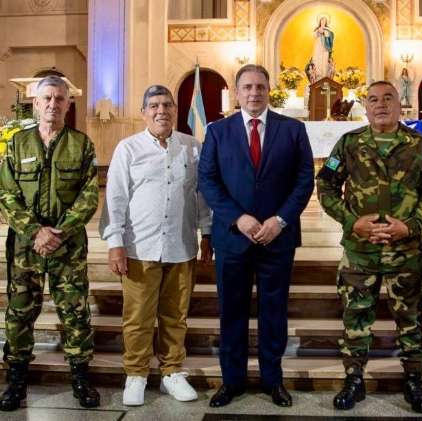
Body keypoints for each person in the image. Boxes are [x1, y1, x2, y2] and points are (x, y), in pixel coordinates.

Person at [317, 80, 422, 414]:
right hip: (360, 251)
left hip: (407, 252)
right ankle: (353, 379)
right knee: (356, 320)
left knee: (411, 320)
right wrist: (351, 221)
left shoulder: (420, 145)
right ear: (365, 107)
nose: (381, 104)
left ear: (400, 105)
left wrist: (410, 225)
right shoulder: (349, 143)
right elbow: (326, 184)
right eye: (373, 99)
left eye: (388, 98)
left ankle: (414, 381)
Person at [198, 64, 314, 408]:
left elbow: (304, 179)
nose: (253, 92)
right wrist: (238, 218)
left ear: (269, 90)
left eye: (260, 86)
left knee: (273, 311)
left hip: (277, 238)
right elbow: (208, 180)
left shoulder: (293, 130)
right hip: (233, 239)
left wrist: (279, 220)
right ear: (237, 92)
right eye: (247, 87)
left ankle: (272, 380)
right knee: (231, 312)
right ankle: (231, 382)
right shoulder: (217, 132)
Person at [99, 85, 212, 406]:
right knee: (138, 317)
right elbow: (115, 197)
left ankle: (171, 372)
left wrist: (208, 233)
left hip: (181, 245)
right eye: (154, 106)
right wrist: (115, 242)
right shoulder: (128, 148)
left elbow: (201, 194)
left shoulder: (192, 147)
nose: (161, 111)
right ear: (144, 112)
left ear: (175, 110)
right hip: (138, 247)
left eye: (167, 105)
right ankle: (135, 374)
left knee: (176, 314)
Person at [0, 75, 100, 411]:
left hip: (67, 246)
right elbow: (6, 194)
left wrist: (60, 232)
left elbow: (88, 196)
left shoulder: (81, 144)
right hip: (25, 247)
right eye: (47, 98)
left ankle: (80, 378)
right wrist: (35, 231)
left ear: (68, 104)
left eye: (60, 99)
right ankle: (16, 381)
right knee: (19, 313)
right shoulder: (17, 144)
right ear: (36, 102)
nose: (53, 104)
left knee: (75, 312)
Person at [311, 15, 334, 80]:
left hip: (325, 48)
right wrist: (318, 31)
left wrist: (324, 31)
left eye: (325, 21)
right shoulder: (316, 29)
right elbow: (314, 36)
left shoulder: (328, 29)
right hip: (318, 47)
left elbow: (330, 36)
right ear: (320, 21)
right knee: (317, 60)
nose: (323, 22)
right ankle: (317, 77)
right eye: (322, 20)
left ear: (326, 22)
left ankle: (324, 77)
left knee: (324, 61)